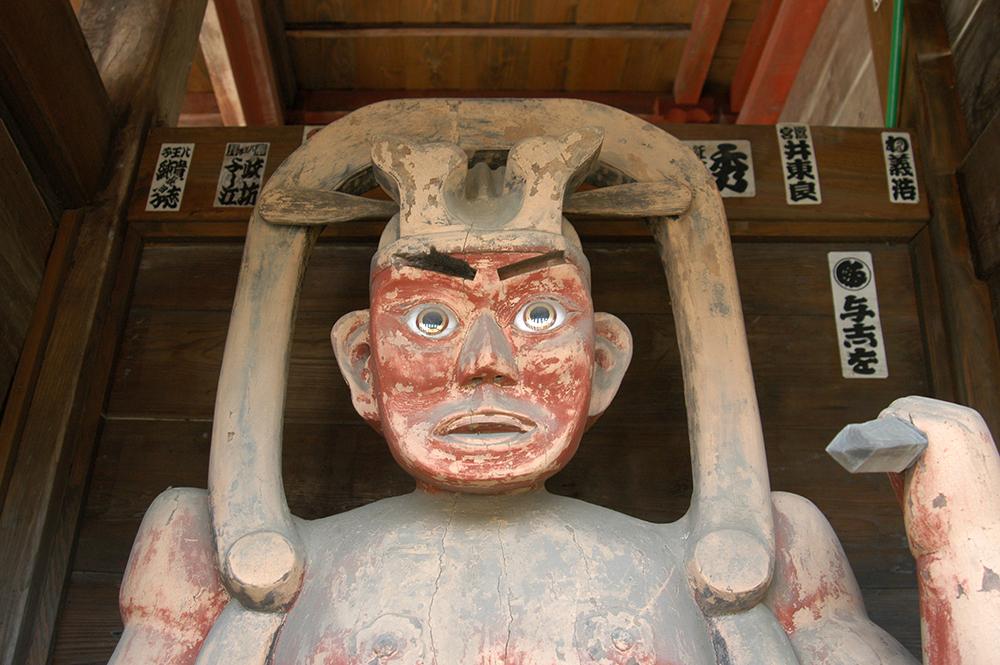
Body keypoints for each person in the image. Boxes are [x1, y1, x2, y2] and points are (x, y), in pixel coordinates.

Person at [107, 100, 999, 665]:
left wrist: (961, 531)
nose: (485, 359)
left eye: (538, 314)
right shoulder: (210, 560)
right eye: (430, 319)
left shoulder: (770, 555)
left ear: (602, 361)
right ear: (363, 365)